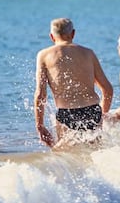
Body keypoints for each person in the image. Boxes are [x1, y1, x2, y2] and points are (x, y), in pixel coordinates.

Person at [34, 18, 113, 148]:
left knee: (67, 159)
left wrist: (40, 126)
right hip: (92, 111)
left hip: (66, 115)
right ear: (73, 33)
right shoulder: (88, 53)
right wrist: (102, 115)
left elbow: (40, 95)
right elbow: (108, 89)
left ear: (51, 36)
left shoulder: (44, 55)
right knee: (95, 156)